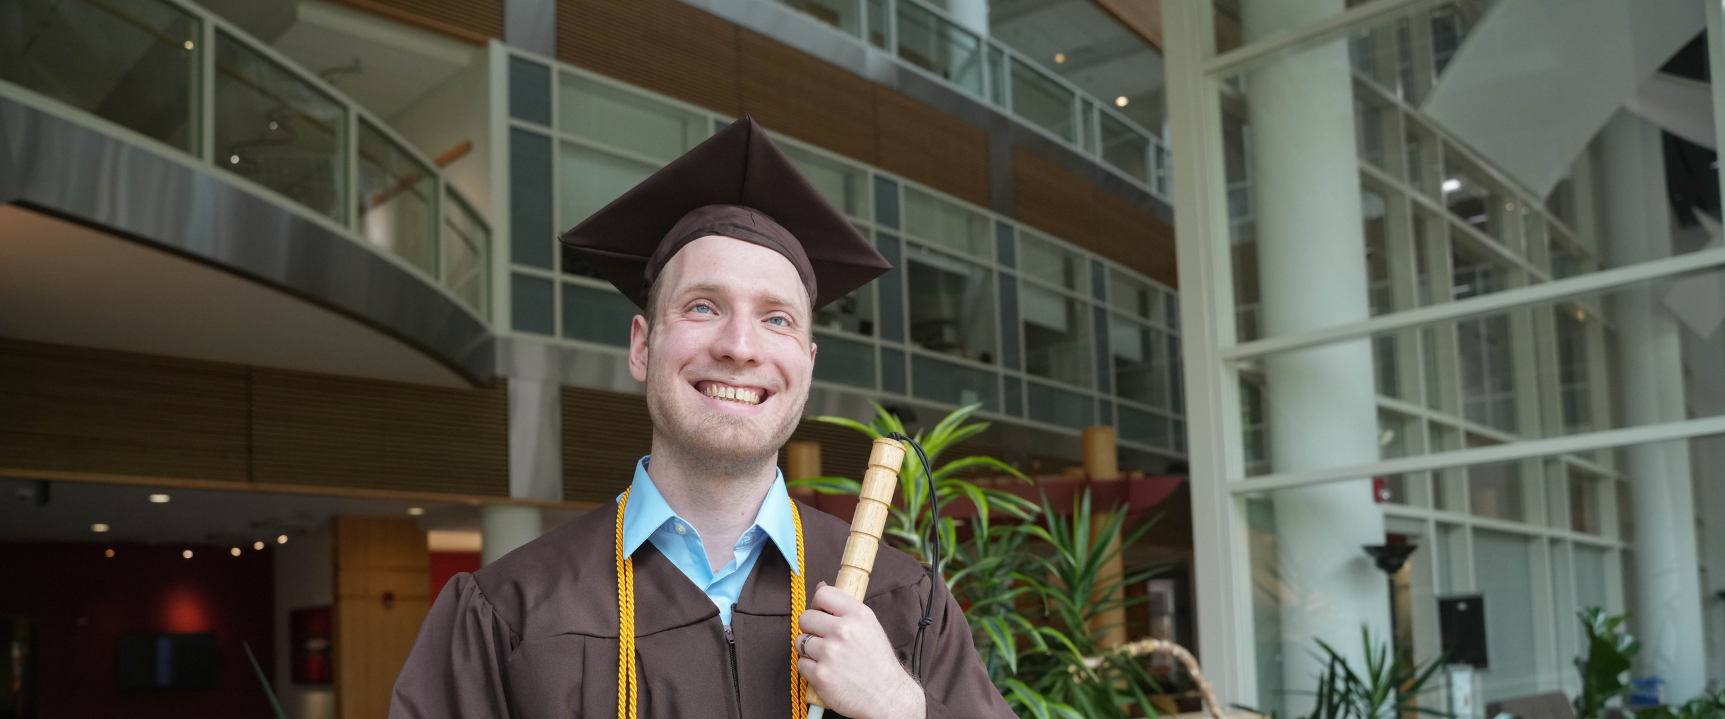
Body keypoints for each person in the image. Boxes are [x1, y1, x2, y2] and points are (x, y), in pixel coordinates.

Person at [389, 117, 1014, 719]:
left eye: (777, 318)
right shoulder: (507, 614)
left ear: (807, 362)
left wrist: (902, 710)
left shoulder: (903, 600)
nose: (740, 346)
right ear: (641, 345)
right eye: (703, 306)